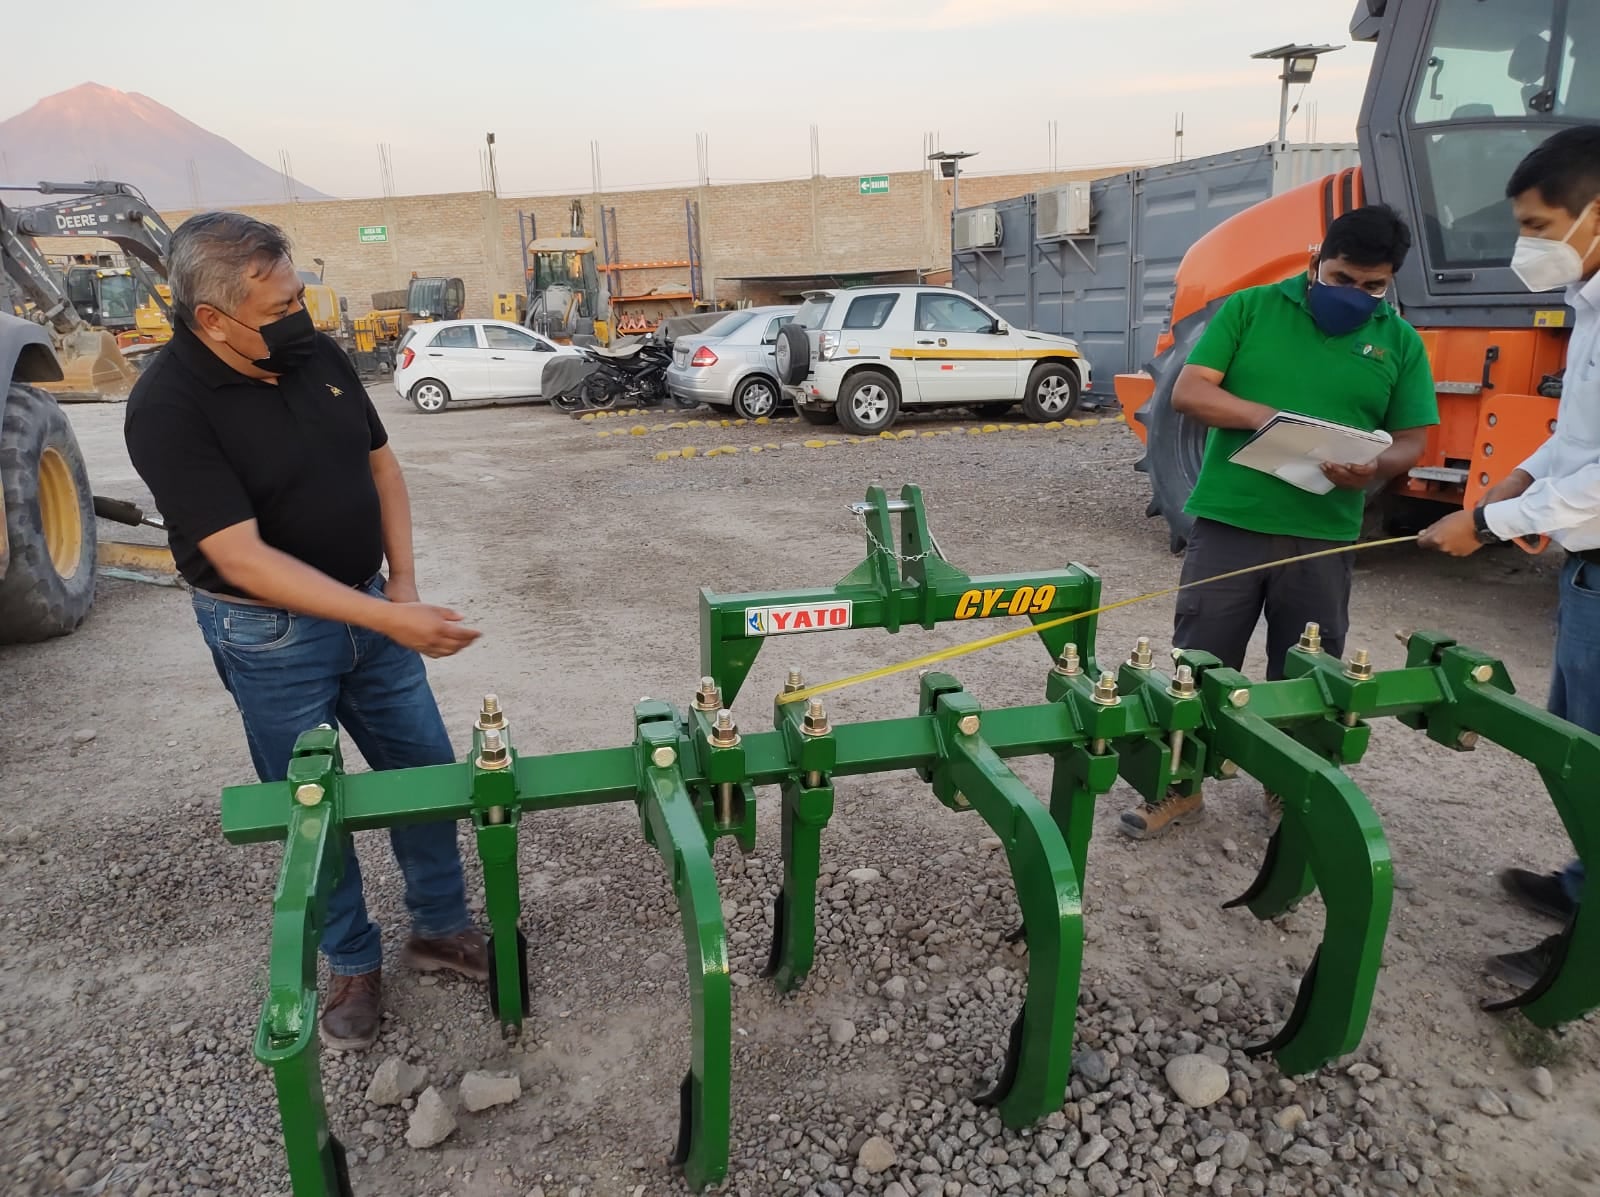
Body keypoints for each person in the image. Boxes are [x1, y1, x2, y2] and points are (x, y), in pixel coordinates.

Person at [125, 212, 485, 1050]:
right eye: (280, 306)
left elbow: (382, 468)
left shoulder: (315, 356)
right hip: (270, 636)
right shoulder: (167, 407)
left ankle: (440, 927)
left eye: (298, 297)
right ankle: (353, 960)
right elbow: (241, 558)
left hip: (373, 604)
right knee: (312, 806)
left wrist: (401, 583)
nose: (300, 317)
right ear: (213, 318)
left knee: (426, 774)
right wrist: (389, 617)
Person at [1123, 204, 1440, 839]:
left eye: (1372, 285)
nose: (1354, 294)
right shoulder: (1251, 309)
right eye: (1342, 278)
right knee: (1200, 660)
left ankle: (1288, 784)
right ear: (1317, 260)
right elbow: (1189, 391)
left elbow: (1414, 439)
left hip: (1322, 535)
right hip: (1232, 522)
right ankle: (1179, 785)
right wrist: (1265, 419)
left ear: (1390, 281)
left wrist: (1375, 465)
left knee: (1306, 670)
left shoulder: (1400, 342)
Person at [1419, 125, 1600, 988]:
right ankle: (1583, 885)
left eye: (1538, 225)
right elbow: (1579, 438)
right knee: (1579, 744)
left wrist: (1489, 526)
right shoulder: (1588, 302)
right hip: (1586, 575)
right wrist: (1515, 481)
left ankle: (1586, 956)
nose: (1526, 245)